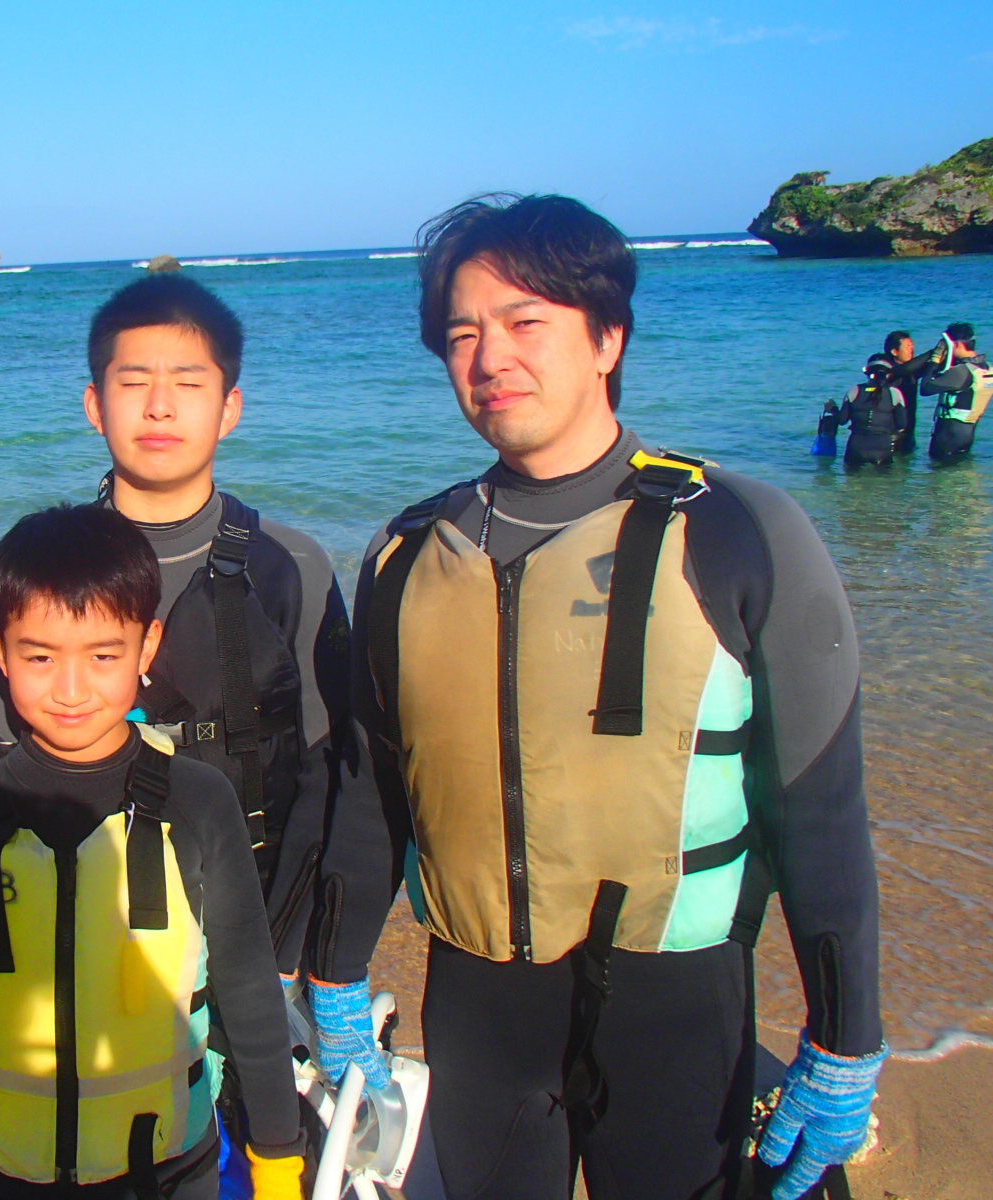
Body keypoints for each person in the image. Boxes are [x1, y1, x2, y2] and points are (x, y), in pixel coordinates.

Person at [349, 194, 885, 1200]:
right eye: (461, 334)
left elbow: (818, 805)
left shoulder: (734, 529)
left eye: (525, 322)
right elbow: (372, 792)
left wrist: (845, 1035)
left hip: (673, 1002)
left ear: (607, 338)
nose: (489, 357)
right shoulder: (407, 555)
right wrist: (337, 976)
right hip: (478, 1004)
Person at [0, 276, 391, 1109]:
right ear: (94, 405)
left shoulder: (291, 565)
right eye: (134, 383)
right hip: (88, 947)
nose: (160, 407)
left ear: (229, 409)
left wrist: (295, 957)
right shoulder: (39, 570)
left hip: (253, 943)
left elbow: (330, 773)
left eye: (189, 384)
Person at [0, 503, 304, 1200]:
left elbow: (249, 989)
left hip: (171, 1167)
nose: (71, 690)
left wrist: (278, 1158)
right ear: (0, 650)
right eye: (40, 656)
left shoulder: (199, 800)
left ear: (147, 647)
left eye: (104, 656)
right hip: (13, 1174)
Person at [923, 322, 993, 462]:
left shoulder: (961, 372)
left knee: (939, 472)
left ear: (956, 345)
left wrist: (934, 360)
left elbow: (926, 388)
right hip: (967, 434)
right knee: (959, 472)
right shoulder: (989, 370)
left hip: (947, 436)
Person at [865, 331, 927, 454]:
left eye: (912, 346)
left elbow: (926, 366)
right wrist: (933, 352)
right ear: (894, 351)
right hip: (889, 434)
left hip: (908, 433)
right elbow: (904, 369)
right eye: (907, 346)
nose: (911, 350)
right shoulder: (888, 371)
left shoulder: (912, 371)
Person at [837, 359, 905, 466]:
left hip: (856, 445)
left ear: (868, 373)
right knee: (883, 476)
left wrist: (833, 410)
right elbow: (901, 424)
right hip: (882, 445)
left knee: (852, 476)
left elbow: (842, 420)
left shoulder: (854, 390)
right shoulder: (894, 393)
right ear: (888, 375)